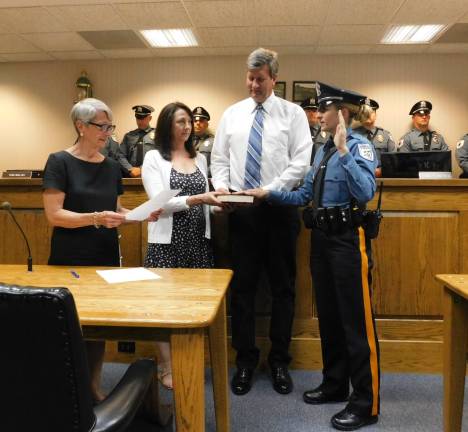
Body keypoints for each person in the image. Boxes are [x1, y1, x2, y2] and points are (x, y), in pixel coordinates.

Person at [243, 82, 381, 430]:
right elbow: (304, 192)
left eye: (326, 109)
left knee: (355, 324)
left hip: (349, 241)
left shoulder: (358, 146)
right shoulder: (321, 152)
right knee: (331, 319)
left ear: (343, 114)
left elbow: (365, 192)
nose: (319, 114)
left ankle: (365, 403)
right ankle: (335, 385)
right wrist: (268, 194)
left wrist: (345, 152)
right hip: (321, 241)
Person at [42, 98, 160, 403]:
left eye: (111, 127)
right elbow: (54, 214)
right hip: (70, 258)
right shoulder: (59, 161)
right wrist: (94, 218)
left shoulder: (109, 167)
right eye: (102, 126)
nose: (108, 132)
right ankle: (65, 392)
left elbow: (115, 209)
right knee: (69, 325)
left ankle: (93, 387)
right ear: (80, 126)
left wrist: (141, 215)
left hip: (105, 255)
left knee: (97, 329)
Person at [211, 47, 312, 396]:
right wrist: (223, 188)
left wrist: (269, 190)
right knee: (243, 290)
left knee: (283, 288)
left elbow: (301, 160)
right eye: (250, 78)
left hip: (280, 208)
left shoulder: (293, 113)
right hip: (242, 212)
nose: (253, 85)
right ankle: (245, 361)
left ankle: (280, 360)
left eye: (260, 79)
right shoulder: (232, 114)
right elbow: (220, 159)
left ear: (274, 79)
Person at [142, 101, 224, 389]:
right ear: (167, 125)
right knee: (163, 306)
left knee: (195, 307)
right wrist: (198, 199)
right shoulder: (154, 159)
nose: (187, 126)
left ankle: (190, 360)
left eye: (189, 121)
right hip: (167, 242)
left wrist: (221, 205)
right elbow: (159, 204)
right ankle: (165, 366)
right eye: (180, 121)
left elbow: (205, 203)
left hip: (198, 241)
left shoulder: (199, 158)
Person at [352, 98, 395, 176]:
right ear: (359, 115)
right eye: (365, 112)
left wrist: (382, 171)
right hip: (358, 178)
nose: (368, 115)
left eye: (371, 112)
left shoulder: (386, 135)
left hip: (382, 180)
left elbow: (393, 160)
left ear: (375, 115)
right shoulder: (352, 135)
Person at [118, 105, 156, 177]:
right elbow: (120, 155)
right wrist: (130, 169)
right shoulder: (129, 136)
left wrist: (141, 169)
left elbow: (161, 156)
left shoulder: (158, 136)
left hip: (151, 176)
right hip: (131, 176)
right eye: (138, 118)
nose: (139, 121)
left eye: (143, 118)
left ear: (150, 118)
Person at [301, 96, 329, 163]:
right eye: (308, 111)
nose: (311, 114)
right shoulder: (296, 131)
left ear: (319, 113)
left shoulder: (328, 131)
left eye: (314, 111)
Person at [192, 106, 215, 174]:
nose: (198, 123)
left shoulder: (214, 142)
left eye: (201, 121)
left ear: (207, 124)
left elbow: (218, 163)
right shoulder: (183, 141)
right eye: (195, 121)